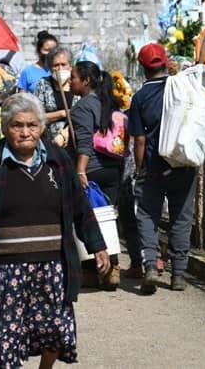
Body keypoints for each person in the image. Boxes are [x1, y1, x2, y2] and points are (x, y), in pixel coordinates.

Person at [0, 93, 109, 367]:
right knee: (4, 335)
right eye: (17, 125)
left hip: (53, 265)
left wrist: (98, 245)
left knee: (54, 329)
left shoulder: (58, 159)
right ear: (5, 128)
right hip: (4, 269)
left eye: (32, 125)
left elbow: (79, 206)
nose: (25, 132)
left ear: (41, 127)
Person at [129, 42, 197, 293]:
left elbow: (139, 139)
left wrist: (139, 170)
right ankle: (178, 275)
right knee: (181, 217)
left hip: (153, 165)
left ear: (143, 68)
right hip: (183, 163)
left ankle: (150, 265)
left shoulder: (139, 97)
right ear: (166, 62)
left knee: (147, 215)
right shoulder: (182, 87)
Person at [68, 60, 124, 290]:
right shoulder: (109, 102)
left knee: (88, 220)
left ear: (86, 81)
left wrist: (80, 170)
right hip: (113, 169)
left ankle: (91, 272)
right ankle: (113, 270)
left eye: (73, 78)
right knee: (108, 219)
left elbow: (84, 143)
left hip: (91, 171)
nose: (69, 82)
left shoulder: (82, 107)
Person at [34, 47, 74, 142]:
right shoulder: (43, 84)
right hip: (50, 140)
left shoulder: (76, 83)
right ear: (50, 67)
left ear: (70, 66)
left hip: (75, 138)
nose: (60, 69)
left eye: (63, 64)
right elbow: (36, 115)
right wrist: (61, 114)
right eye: (55, 65)